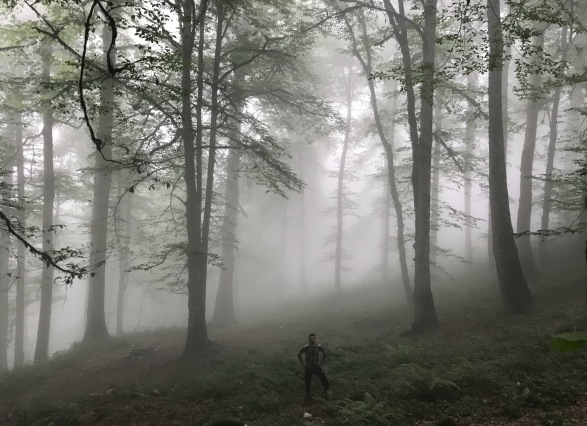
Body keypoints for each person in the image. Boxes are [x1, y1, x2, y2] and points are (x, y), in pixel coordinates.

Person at [297, 333, 330, 399]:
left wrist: (321, 362)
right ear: (308, 339)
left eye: (313, 338)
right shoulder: (306, 347)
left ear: (315, 339)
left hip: (316, 366)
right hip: (308, 367)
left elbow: (325, 353)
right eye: (311, 338)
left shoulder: (318, 346)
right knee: (307, 383)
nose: (312, 339)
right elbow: (299, 354)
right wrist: (302, 363)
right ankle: (308, 397)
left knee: (324, 380)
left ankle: (327, 395)